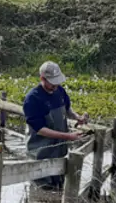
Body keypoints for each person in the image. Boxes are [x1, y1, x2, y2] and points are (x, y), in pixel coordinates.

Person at [23, 60, 89, 190]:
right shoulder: (32, 99)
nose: (55, 86)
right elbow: (40, 130)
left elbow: (67, 109)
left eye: (57, 82)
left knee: (60, 188)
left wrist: (77, 117)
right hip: (41, 154)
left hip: (59, 152)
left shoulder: (59, 91)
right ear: (42, 78)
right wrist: (68, 136)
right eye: (52, 83)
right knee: (42, 192)